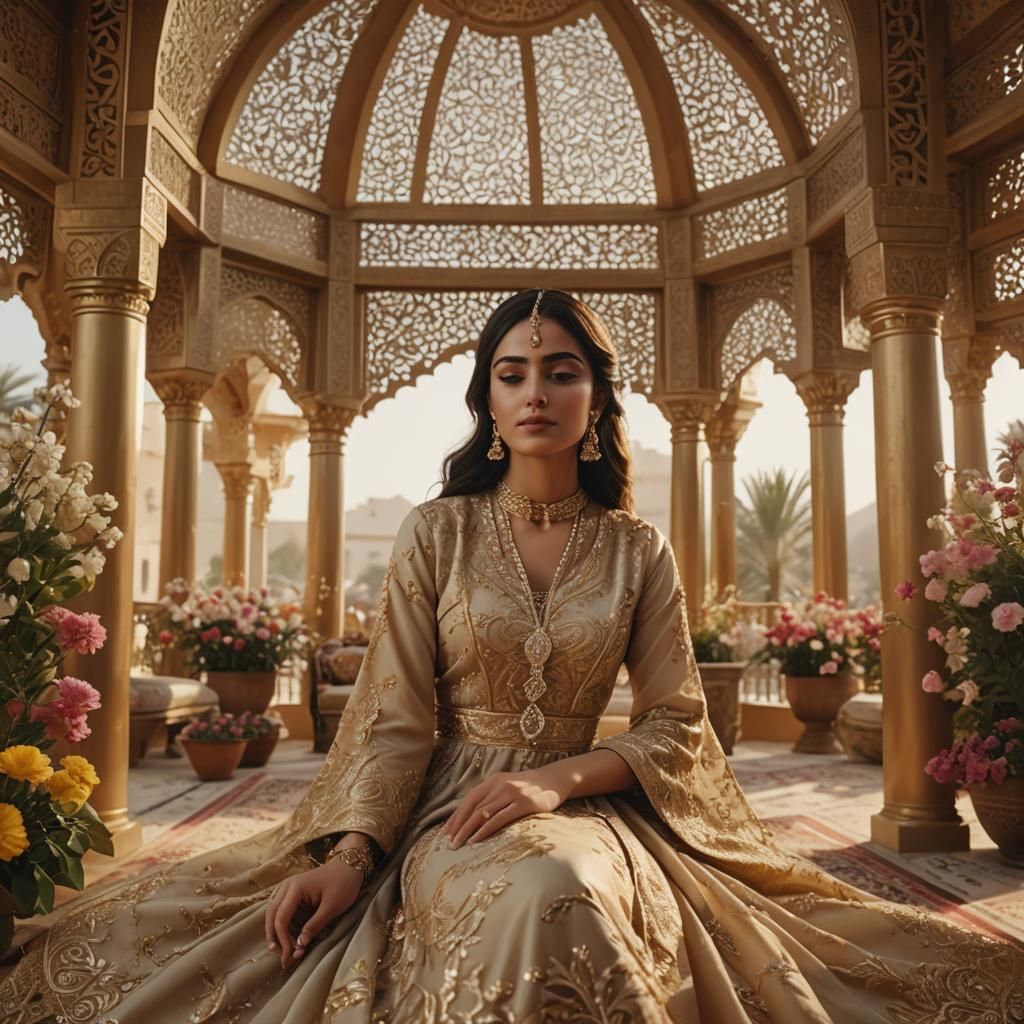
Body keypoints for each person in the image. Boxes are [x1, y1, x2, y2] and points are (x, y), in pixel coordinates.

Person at [2, 290, 1021, 1023]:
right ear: (488, 398)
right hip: (439, 807)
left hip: (586, 805)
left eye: (562, 369)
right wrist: (355, 854)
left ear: (595, 398)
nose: (536, 390)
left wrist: (556, 781)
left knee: (563, 892)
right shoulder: (435, 534)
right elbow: (396, 717)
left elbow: (674, 718)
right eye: (513, 371)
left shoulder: (637, 549)